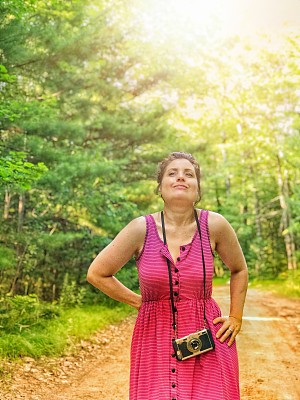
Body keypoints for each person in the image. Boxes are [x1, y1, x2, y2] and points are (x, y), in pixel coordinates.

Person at [87, 151, 248, 400]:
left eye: (189, 174)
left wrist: (236, 316)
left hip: (208, 341)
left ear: (197, 188)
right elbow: (97, 274)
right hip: (154, 339)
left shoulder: (215, 225)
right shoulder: (140, 229)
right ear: (160, 188)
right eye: (172, 173)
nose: (180, 178)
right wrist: (138, 301)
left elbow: (239, 269)